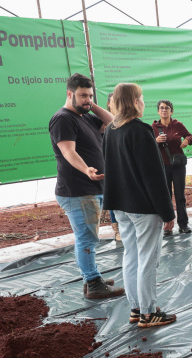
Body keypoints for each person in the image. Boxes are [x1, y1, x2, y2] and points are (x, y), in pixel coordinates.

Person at [102, 83, 177, 327]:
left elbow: (111, 170)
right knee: (147, 259)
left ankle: (136, 308)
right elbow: (153, 176)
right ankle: (148, 311)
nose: (144, 102)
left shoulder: (112, 130)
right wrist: (167, 212)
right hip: (143, 208)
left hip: (121, 206)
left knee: (131, 256)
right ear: (134, 102)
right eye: (142, 98)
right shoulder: (140, 131)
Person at [48, 73, 123, 300]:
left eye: (90, 95)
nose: (87, 100)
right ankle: (93, 283)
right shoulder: (63, 119)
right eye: (82, 95)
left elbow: (113, 121)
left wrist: (91, 106)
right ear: (69, 94)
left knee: (89, 237)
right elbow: (68, 151)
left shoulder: (85, 117)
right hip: (77, 190)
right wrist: (87, 170)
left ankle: (92, 277)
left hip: (91, 190)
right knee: (87, 238)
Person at [153, 99, 192, 235]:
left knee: (180, 195)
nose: (164, 110)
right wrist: (156, 141)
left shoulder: (177, 125)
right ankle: (168, 225)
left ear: (171, 111)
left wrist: (187, 140)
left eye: (167, 108)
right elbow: (146, 146)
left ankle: (183, 224)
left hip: (178, 166)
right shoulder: (153, 128)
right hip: (162, 166)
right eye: (162, 108)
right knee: (166, 195)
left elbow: (190, 136)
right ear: (158, 111)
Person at [106, 91, 121, 242]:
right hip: (109, 166)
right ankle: (117, 229)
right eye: (112, 101)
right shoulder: (104, 123)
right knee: (113, 197)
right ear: (108, 104)